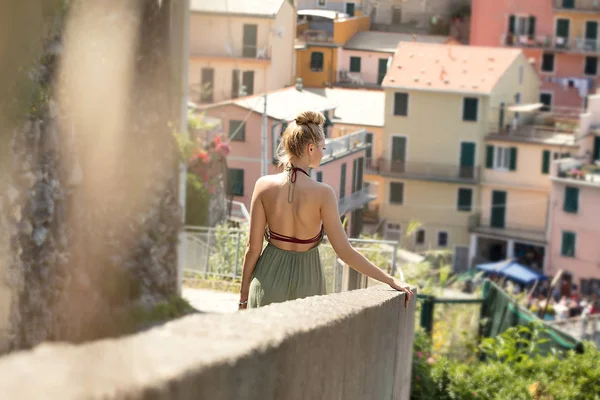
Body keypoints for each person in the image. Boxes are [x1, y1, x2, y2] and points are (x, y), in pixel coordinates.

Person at [237, 111, 413, 310]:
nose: (324, 152)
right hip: (308, 283)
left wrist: (243, 298)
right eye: (323, 147)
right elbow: (345, 253)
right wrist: (391, 280)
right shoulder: (323, 194)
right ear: (310, 148)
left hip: (266, 282)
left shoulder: (263, 186)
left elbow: (252, 249)